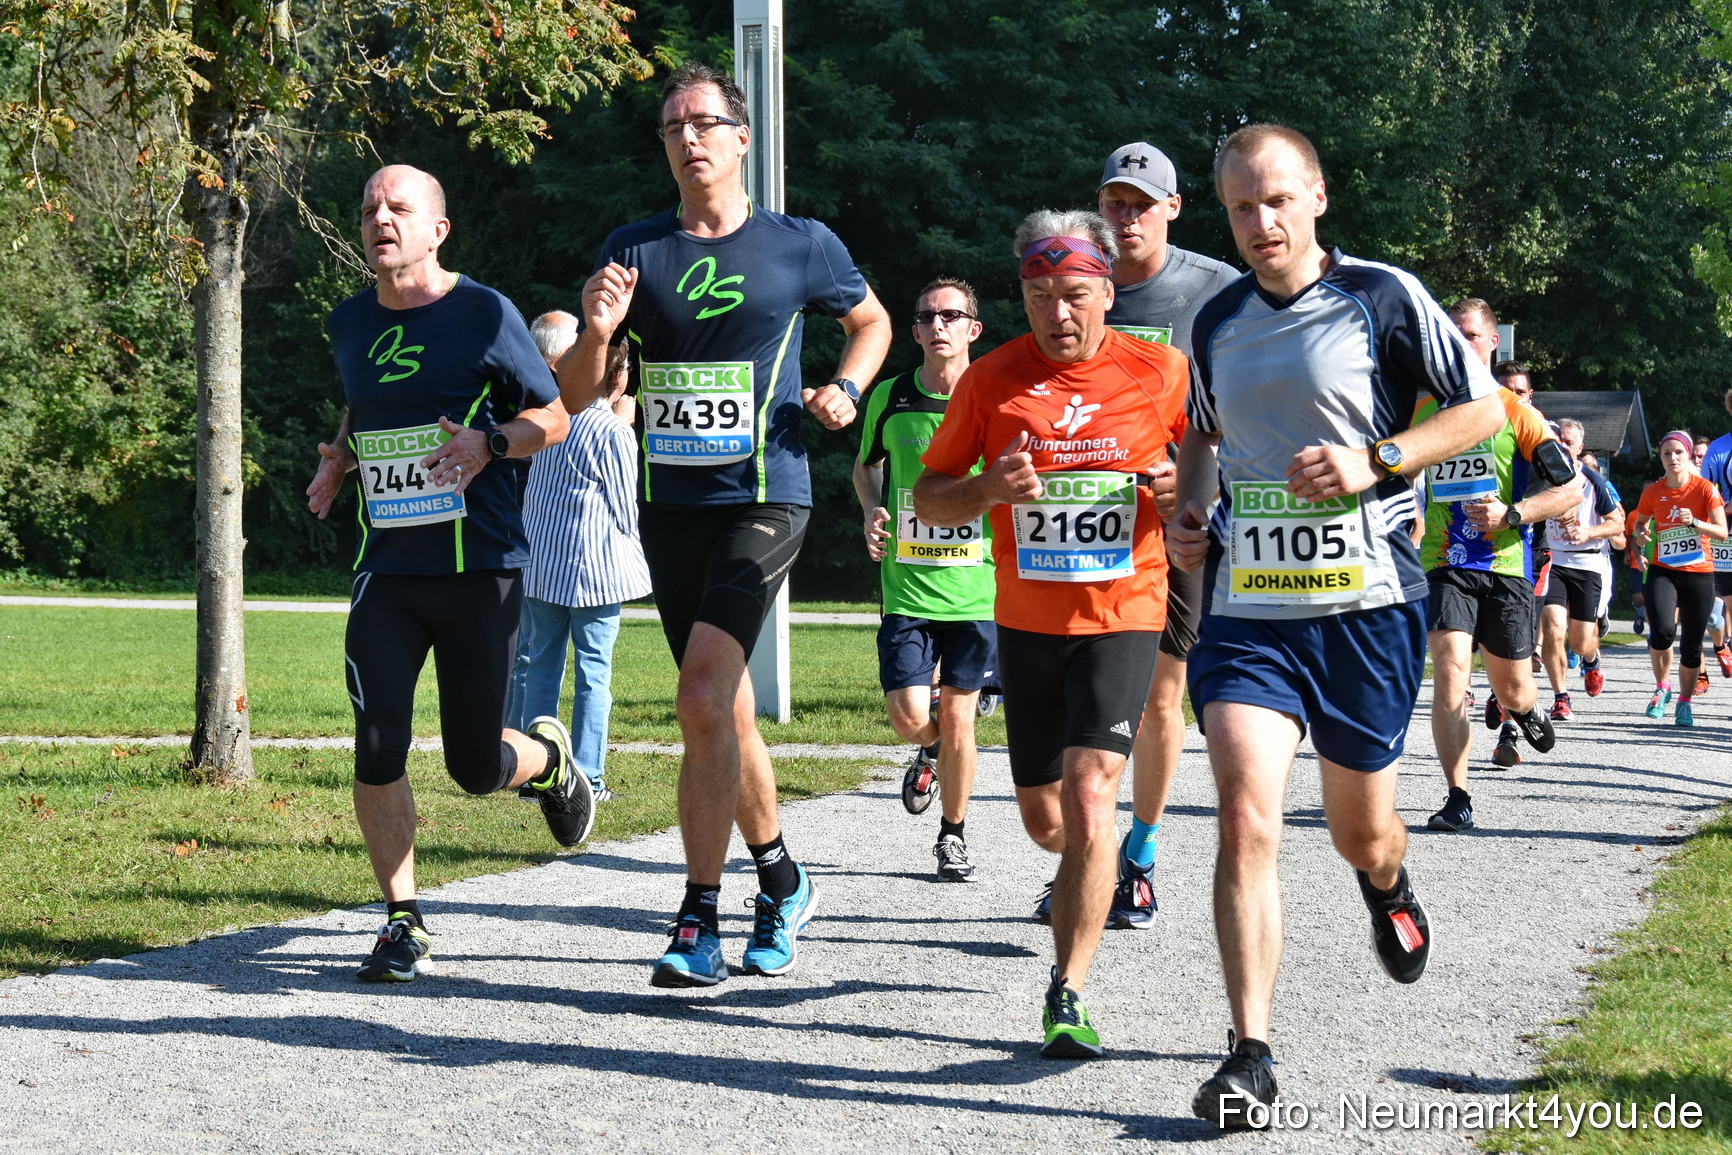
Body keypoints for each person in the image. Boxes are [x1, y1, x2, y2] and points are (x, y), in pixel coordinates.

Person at [1165, 124, 1503, 1127]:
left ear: (1315, 197)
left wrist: (1379, 460)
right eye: (1238, 207)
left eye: (1276, 200)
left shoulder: (1383, 297)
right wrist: (1191, 518)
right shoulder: (1213, 319)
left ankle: (1386, 880)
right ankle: (1250, 1055)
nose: (1259, 222)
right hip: (1249, 613)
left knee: (1362, 831)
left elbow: (1478, 412)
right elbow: (1201, 438)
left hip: (1366, 608)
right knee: (1244, 816)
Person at [559, 62, 892, 987]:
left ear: (742, 139)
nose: (688, 139)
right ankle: (783, 878)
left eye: (703, 122)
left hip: (766, 494)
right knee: (727, 708)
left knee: (702, 696)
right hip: (669, 507)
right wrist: (595, 332)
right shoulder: (633, 249)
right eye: (671, 129)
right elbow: (576, 395)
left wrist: (848, 388)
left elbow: (871, 321)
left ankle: (698, 919)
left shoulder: (800, 244)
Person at [915, 210, 1188, 1059]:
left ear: (1108, 289)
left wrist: (1186, 494)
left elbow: (1212, 469)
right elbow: (929, 494)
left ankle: (1067, 988)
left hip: (1126, 611)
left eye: (1073, 294)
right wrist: (988, 488)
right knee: (1048, 822)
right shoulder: (990, 380)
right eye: (1038, 296)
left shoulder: (1162, 370)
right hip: (1027, 624)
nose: (1057, 313)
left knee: (1089, 793)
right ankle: (1091, 866)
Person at [304, 164, 580, 983]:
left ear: (438, 229)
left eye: (398, 207)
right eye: (367, 209)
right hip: (387, 570)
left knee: (473, 765)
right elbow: (367, 402)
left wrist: (488, 444)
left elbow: (552, 416)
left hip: (480, 570)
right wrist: (340, 458)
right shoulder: (348, 322)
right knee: (377, 738)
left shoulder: (485, 313)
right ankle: (403, 919)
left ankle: (549, 762)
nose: (379, 219)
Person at [1096, 142, 1240, 929]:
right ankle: (1085, 852)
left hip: (1179, 521)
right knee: (1078, 699)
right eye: (1116, 201)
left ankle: (1139, 856)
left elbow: (1242, 400)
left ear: (1172, 209)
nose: (1127, 216)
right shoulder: (1076, 282)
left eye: (1142, 203)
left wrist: (1194, 480)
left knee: (1159, 695)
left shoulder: (1217, 290)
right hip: (1082, 519)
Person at [852, 278, 997, 883]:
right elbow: (866, 466)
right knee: (912, 717)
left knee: (961, 716)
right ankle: (930, 750)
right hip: (907, 586)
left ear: (973, 329)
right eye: (926, 318)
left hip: (979, 589)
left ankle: (952, 836)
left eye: (951, 316)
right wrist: (870, 511)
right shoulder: (889, 396)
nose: (938, 326)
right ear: (913, 331)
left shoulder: (999, 397)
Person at [1417, 303, 1577, 834]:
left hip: (1506, 563)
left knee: (1512, 688)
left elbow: (1570, 487)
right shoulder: (1423, 408)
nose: (1460, 345)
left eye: (1470, 336)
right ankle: (1457, 795)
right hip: (1444, 561)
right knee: (1450, 674)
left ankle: (1527, 711)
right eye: (1451, 336)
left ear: (1492, 344)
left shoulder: (1518, 413)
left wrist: (1514, 513)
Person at [505, 313, 652, 802]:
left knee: (542, 668)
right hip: (594, 570)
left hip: (542, 564)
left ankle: (535, 771)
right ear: (618, 375)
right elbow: (624, 507)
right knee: (594, 673)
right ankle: (588, 773)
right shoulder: (612, 432)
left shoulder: (546, 419)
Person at [1629, 430, 1729, 727]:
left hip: (1699, 573)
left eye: (1678, 453)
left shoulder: (1705, 489)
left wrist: (1696, 522)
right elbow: (1639, 527)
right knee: (1661, 630)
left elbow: (1722, 531)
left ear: (1688, 456)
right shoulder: (1653, 492)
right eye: (1666, 453)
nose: (1673, 458)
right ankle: (1662, 688)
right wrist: (1641, 535)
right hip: (1663, 570)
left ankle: (1685, 703)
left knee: (1692, 644)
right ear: (1660, 458)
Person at [1535, 418, 1624, 723]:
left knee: (1579, 641)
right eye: (1558, 440)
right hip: (1555, 562)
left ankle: (1591, 657)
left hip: (1588, 564)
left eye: (1568, 443)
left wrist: (1587, 532)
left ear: (1580, 448)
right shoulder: (1542, 476)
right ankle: (1561, 698)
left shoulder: (1593, 481)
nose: (1562, 446)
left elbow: (1618, 525)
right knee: (1551, 628)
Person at [1696, 392, 1732, 677]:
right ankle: (1722, 646)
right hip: (1727, 536)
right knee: (1716, 608)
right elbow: (1704, 496)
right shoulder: (1719, 449)